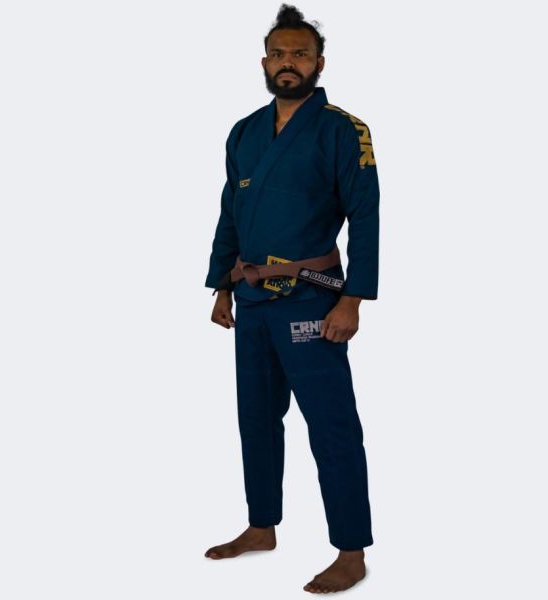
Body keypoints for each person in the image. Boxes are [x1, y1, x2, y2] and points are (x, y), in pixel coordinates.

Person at [203, 4, 380, 594]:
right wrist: (222, 284)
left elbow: (366, 217)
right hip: (252, 300)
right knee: (256, 418)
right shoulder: (244, 132)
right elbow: (230, 212)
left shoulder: (344, 130)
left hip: (312, 299)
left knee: (331, 425)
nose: (288, 63)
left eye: (300, 54)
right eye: (279, 54)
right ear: (264, 62)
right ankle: (262, 526)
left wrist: (353, 299)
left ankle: (351, 550)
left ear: (319, 63)